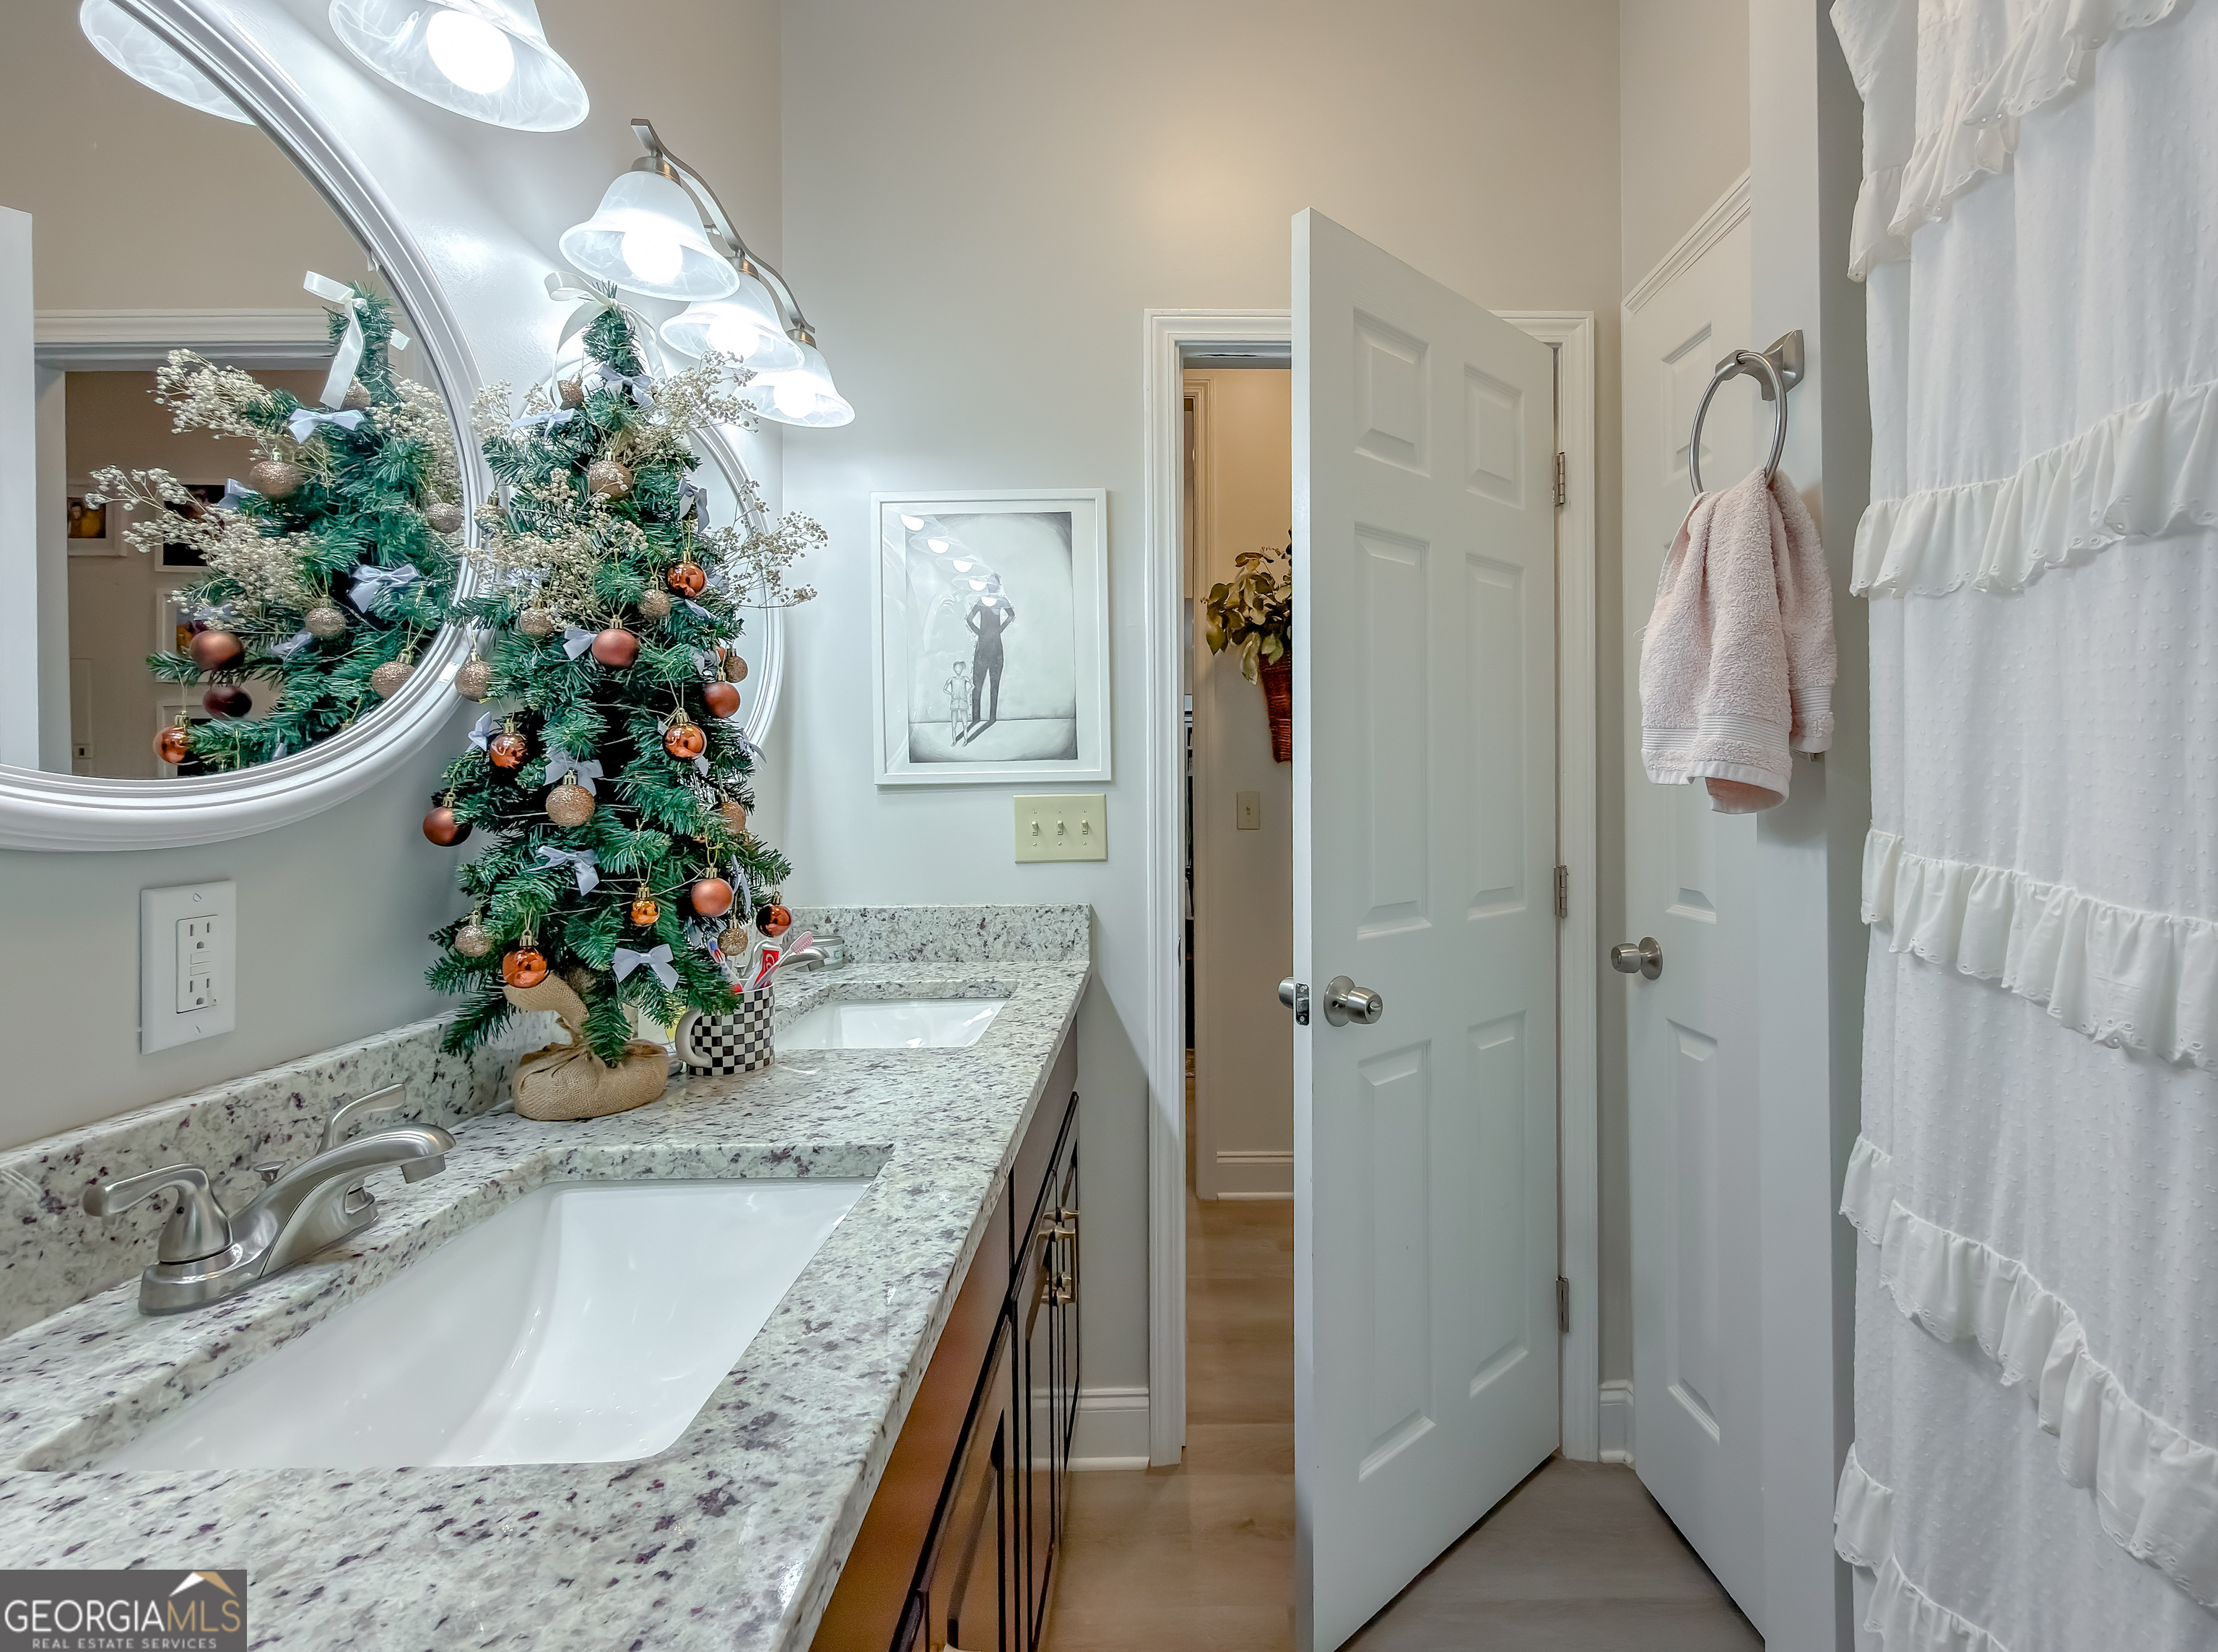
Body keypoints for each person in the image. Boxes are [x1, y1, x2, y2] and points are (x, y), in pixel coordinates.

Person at [965, 575, 1016, 729]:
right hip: (984, 647)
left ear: (998, 586)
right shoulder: (982, 601)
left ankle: (992, 718)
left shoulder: (1001, 600)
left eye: (993, 584)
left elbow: (1011, 615)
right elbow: (969, 619)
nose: (991, 586)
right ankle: (976, 718)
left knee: (994, 684)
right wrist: (980, 632)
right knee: (978, 685)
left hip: (994, 647)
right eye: (989, 583)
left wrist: (999, 629)